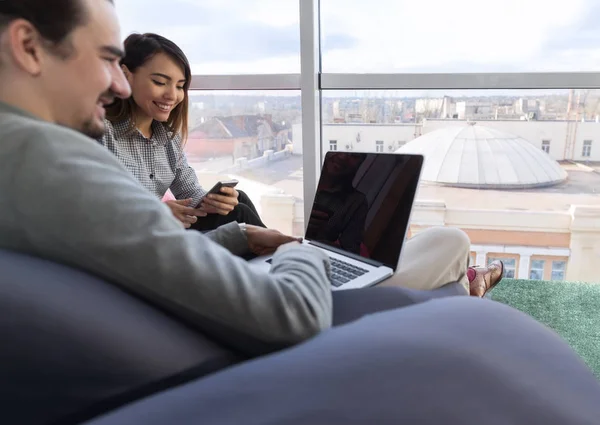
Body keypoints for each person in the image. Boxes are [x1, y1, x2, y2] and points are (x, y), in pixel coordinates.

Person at [99, 32, 265, 232]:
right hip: (129, 235)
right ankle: (288, 254)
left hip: (161, 229)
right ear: (126, 76)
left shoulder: (169, 139)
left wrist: (213, 201)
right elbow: (93, 207)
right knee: (240, 215)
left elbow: (190, 192)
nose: (172, 95)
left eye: (180, 86)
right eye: (160, 82)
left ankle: (283, 253)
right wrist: (156, 212)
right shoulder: (102, 132)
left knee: (237, 200)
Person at [306, 152, 504, 297]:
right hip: (323, 295)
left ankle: (468, 283)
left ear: (359, 166)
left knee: (443, 244)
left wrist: (291, 245)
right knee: (455, 240)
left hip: (307, 269)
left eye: (353, 158)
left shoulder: (354, 200)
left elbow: (351, 247)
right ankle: (469, 284)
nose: (341, 158)